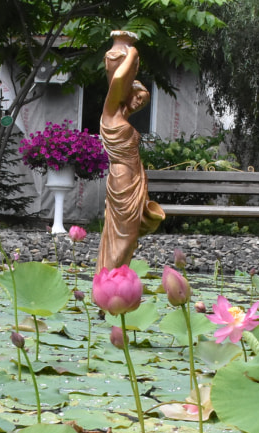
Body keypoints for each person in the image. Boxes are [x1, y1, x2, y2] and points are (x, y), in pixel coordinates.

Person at [98, 31, 164, 271]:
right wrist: (132, 51)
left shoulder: (123, 119)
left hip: (134, 180)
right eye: (137, 97)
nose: (139, 103)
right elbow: (117, 82)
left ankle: (114, 277)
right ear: (128, 92)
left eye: (144, 102)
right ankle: (111, 280)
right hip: (121, 180)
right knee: (124, 235)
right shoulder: (110, 112)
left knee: (130, 235)